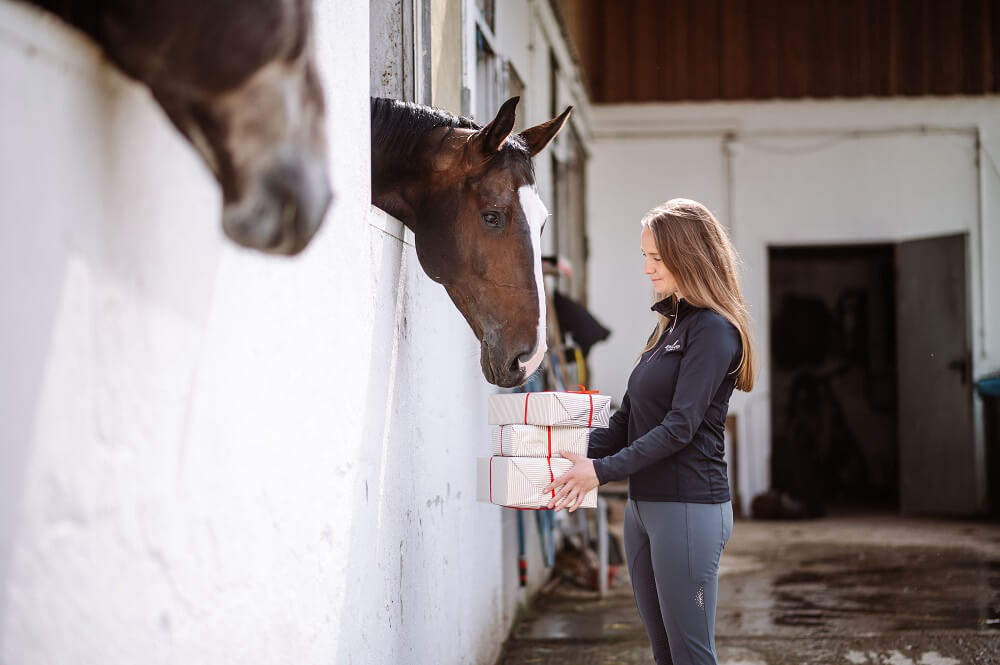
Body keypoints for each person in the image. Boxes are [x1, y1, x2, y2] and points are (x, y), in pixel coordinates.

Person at [543, 198, 756, 665]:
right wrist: (557, 450)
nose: (646, 268)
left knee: (692, 655)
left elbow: (679, 427)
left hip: (687, 509)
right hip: (643, 511)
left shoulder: (714, 332)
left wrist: (598, 472)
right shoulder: (668, 327)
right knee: (665, 655)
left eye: (656, 258)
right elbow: (627, 422)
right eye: (645, 256)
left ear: (689, 257)